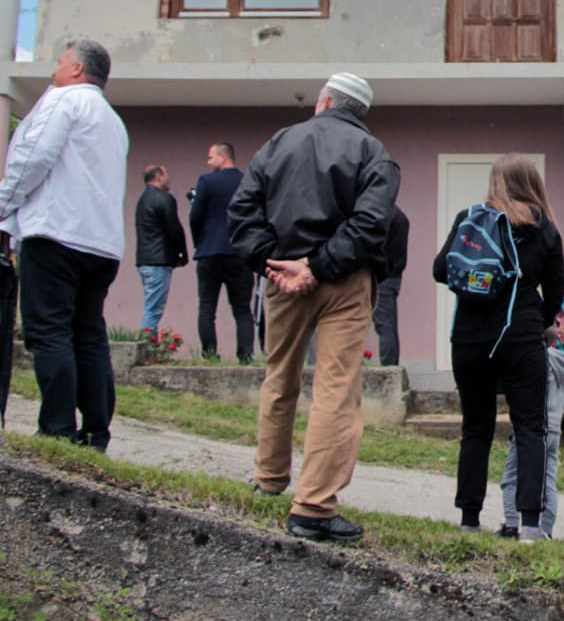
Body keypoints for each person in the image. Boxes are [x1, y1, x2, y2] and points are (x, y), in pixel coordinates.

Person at [228, 72, 398, 543]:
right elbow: (371, 225)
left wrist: (277, 264)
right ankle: (314, 506)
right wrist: (318, 267)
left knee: (279, 377)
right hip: (344, 280)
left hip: (282, 278)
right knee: (336, 388)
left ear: (323, 102)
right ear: (359, 113)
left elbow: (242, 212)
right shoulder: (375, 154)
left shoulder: (278, 142)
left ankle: (268, 478)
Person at [0, 40, 128, 449]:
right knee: (88, 333)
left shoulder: (64, 101)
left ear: (76, 69)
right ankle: (96, 429)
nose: (54, 69)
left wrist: (2, 204)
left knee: (49, 331)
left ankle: (56, 427)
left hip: (56, 232)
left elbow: (33, 157)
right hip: (101, 242)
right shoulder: (113, 120)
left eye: (59, 61)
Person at [432, 154, 564, 542]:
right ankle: (529, 524)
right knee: (530, 429)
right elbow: (554, 295)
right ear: (532, 183)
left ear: (494, 183)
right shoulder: (545, 230)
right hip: (521, 335)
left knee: (475, 429)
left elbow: (441, 270)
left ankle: (469, 519)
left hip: (470, 337)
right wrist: (536, 320)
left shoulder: (469, 219)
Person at [498, 292, 564, 539]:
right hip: (554, 428)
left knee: (512, 476)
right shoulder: (561, 366)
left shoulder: (531, 363)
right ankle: (545, 530)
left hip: (528, 428)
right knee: (548, 480)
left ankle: (512, 524)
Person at [190, 142, 252, 361]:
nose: (208, 162)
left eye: (211, 157)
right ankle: (245, 355)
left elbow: (195, 215)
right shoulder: (247, 181)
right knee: (243, 309)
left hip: (210, 251)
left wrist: (200, 241)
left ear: (222, 157)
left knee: (207, 307)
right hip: (239, 251)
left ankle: (210, 354)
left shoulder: (207, 181)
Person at [133, 164, 187, 334]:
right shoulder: (164, 199)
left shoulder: (142, 200)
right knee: (153, 309)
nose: (168, 179)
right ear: (158, 176)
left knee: (151, 305)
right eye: (166, 174)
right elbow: (175, 230)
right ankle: (146, 349)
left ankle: (148, 347)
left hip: (145, 260)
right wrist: (181, 254)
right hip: (159, 260)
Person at [372, 204, 409, 366]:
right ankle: (391, 368)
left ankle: (389, 369)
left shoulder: (383, 215)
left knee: (385, 327)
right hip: (391, 276)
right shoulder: (399, 216)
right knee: (387, 326)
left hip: (382, 276)